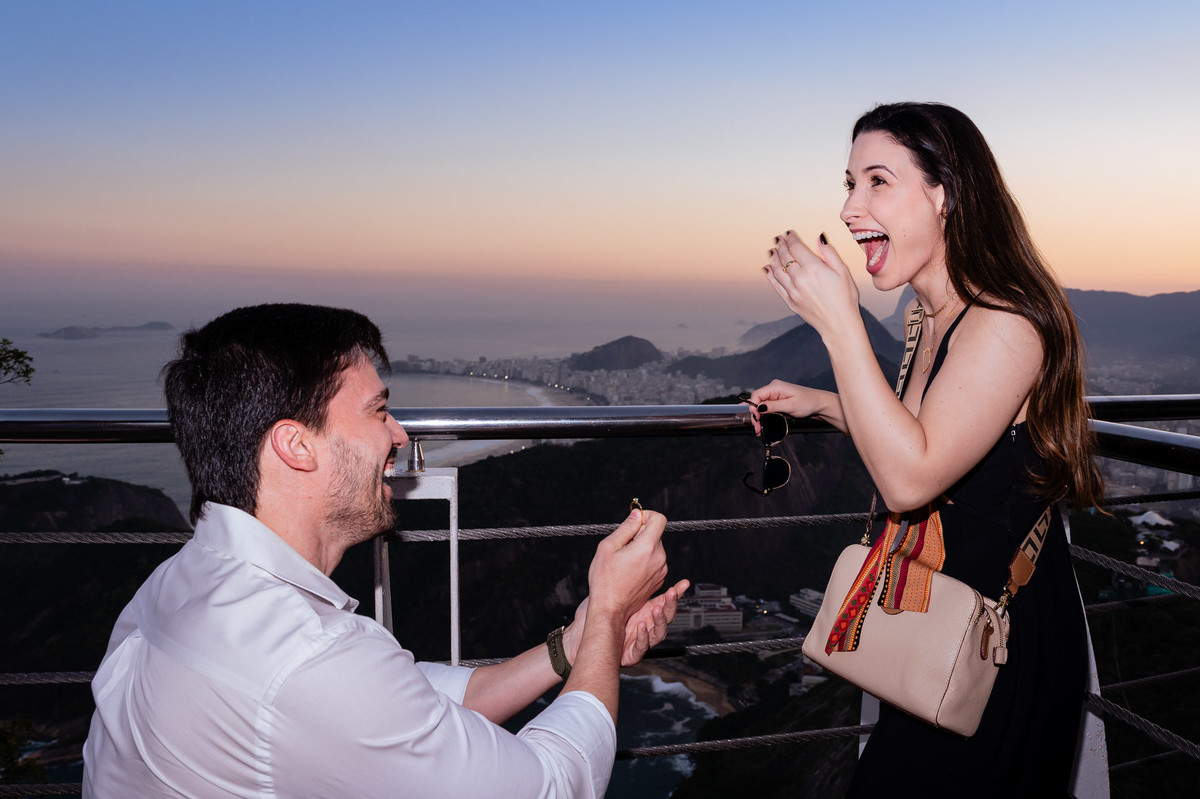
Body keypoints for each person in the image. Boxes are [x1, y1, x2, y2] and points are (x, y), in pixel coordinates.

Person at [82, 303, 688, 798]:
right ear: (296, 445)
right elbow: (558, 786)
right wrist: (608, 614)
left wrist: (578, 646)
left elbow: (423, 706)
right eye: (378, 411)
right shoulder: (308, 659)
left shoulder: (176, 583)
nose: (400, 435)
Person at [747, 102, 1102, 796]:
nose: (851, 209)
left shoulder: (1003, 323)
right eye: (849, 184)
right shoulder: (928, 313)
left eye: (877, 181)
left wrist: (840, 323)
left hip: (1000, 648)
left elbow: (909, 480)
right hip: (942, 629)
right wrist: (824, 404)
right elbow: (922, 437)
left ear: (943, 195)